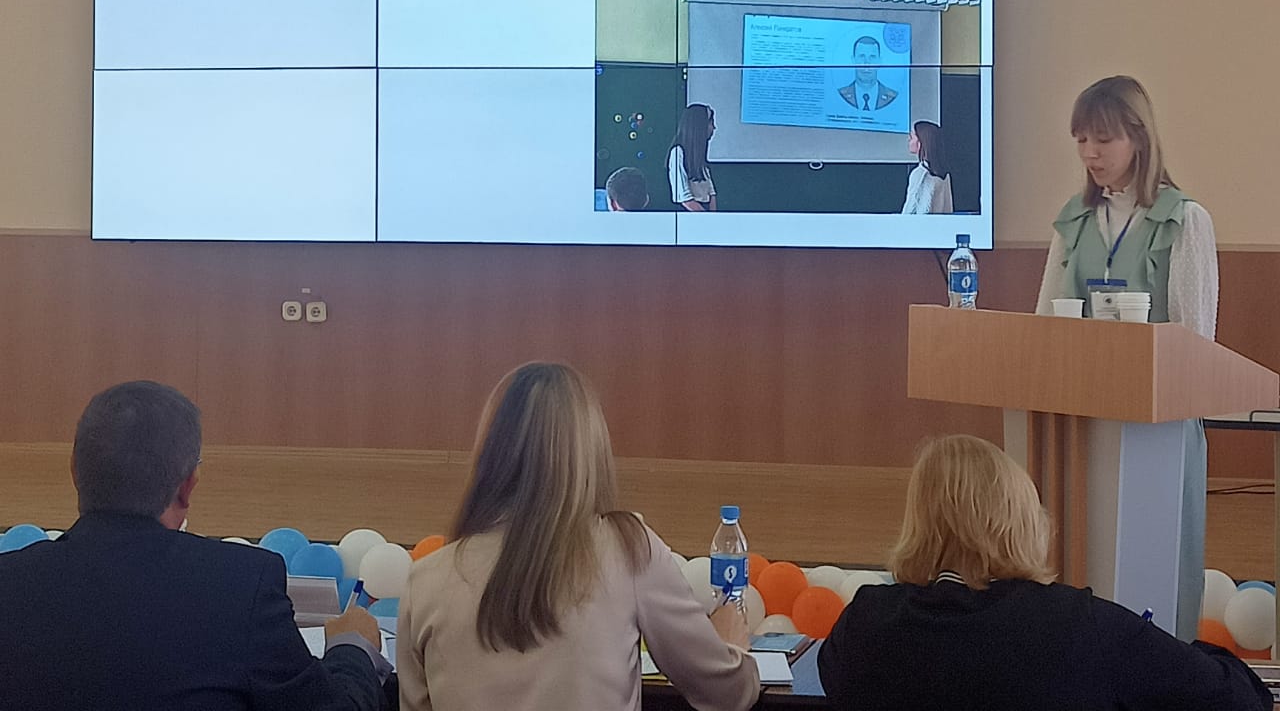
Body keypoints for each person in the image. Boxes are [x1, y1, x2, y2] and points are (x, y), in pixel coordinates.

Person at [0, 380, 390, 711]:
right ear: (188, 486)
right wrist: (352, 646)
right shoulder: (241, 585)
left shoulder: (9, 582)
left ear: (73, 471)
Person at [398, 362, 758, 711]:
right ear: (590, 450)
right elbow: (728, 695)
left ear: (488, 450)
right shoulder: (629, 550)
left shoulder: (425, 580)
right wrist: (731, 646)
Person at [818, 435, 1270, 711]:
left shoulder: (862, 625)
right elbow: (1241, 701)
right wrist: (1177, 650)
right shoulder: (1081, 625)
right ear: (1020, 521)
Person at [1034, 74, 1217, 638]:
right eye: (1081, 140)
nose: (1090, 153)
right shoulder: (1074, 220)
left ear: (1139, 137)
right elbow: (1042, 326)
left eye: (1103, 139)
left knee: (1153, 569)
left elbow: (1196, 344)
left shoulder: (1184, 220)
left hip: (1156, 429)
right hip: (1082, 424)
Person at [667, 103, 717, 211]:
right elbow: (685, 198)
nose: (714, 128)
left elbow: (711, 192)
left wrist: (713, 216)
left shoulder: (699, 155)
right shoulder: (678, 152)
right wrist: (705, 217)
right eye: (711, 123)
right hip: (689, 213)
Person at [901, 120, 953, 214]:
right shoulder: (945, 175)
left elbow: (912, 212)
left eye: (911, 137)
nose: (909, 140)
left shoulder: (921, 175)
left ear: (920, 142)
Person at [837, 36, 898, 112]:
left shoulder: (893, 97)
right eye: (861, 56)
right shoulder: (839, 95)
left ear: (880, 61)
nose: (867, 63)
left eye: (872, 57)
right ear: (853, 60)